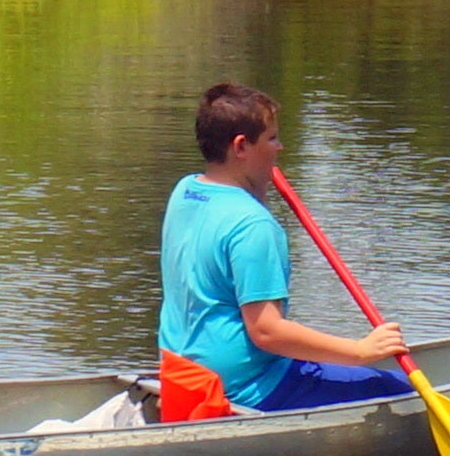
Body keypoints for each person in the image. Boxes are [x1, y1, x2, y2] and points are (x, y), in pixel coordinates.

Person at [156, 82, 412, 421]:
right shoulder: (254, 226)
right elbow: (267, 331)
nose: (280, 147)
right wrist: (361, 351)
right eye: (273, 138)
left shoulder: (186, 191)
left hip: (183, 377)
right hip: (248, 388)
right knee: (403, 392)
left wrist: (253, 190)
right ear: (241, 147)